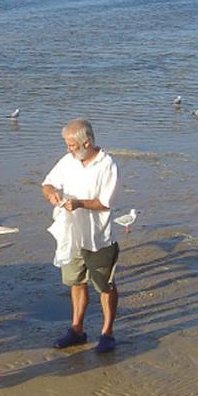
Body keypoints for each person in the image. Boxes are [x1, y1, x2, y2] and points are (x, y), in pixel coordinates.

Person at [41, 119, 120, 353]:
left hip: (98, 236)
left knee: (105, 285)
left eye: (72, 146)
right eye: (67, 145)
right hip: (71, 234)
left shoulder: (107, 165)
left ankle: (107, 333)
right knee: (75, 282)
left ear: (87, 142)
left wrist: (78, 204)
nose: (68, 150)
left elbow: (106, 203)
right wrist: (52, 194)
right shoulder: (68, 161)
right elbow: (46, 183)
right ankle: (76, 329)